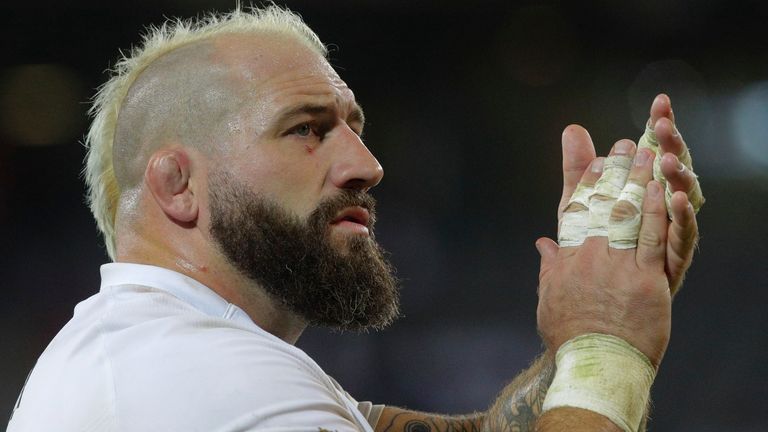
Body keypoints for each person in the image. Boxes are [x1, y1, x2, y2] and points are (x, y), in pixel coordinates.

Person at [6, 6, 701, 432]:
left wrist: (612, 298)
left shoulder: (172, 357)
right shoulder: (193, 377)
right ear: (179, 185)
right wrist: (607, 349)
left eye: (354, 127)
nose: (367, 164)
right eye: (307, 129)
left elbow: (495, 430)